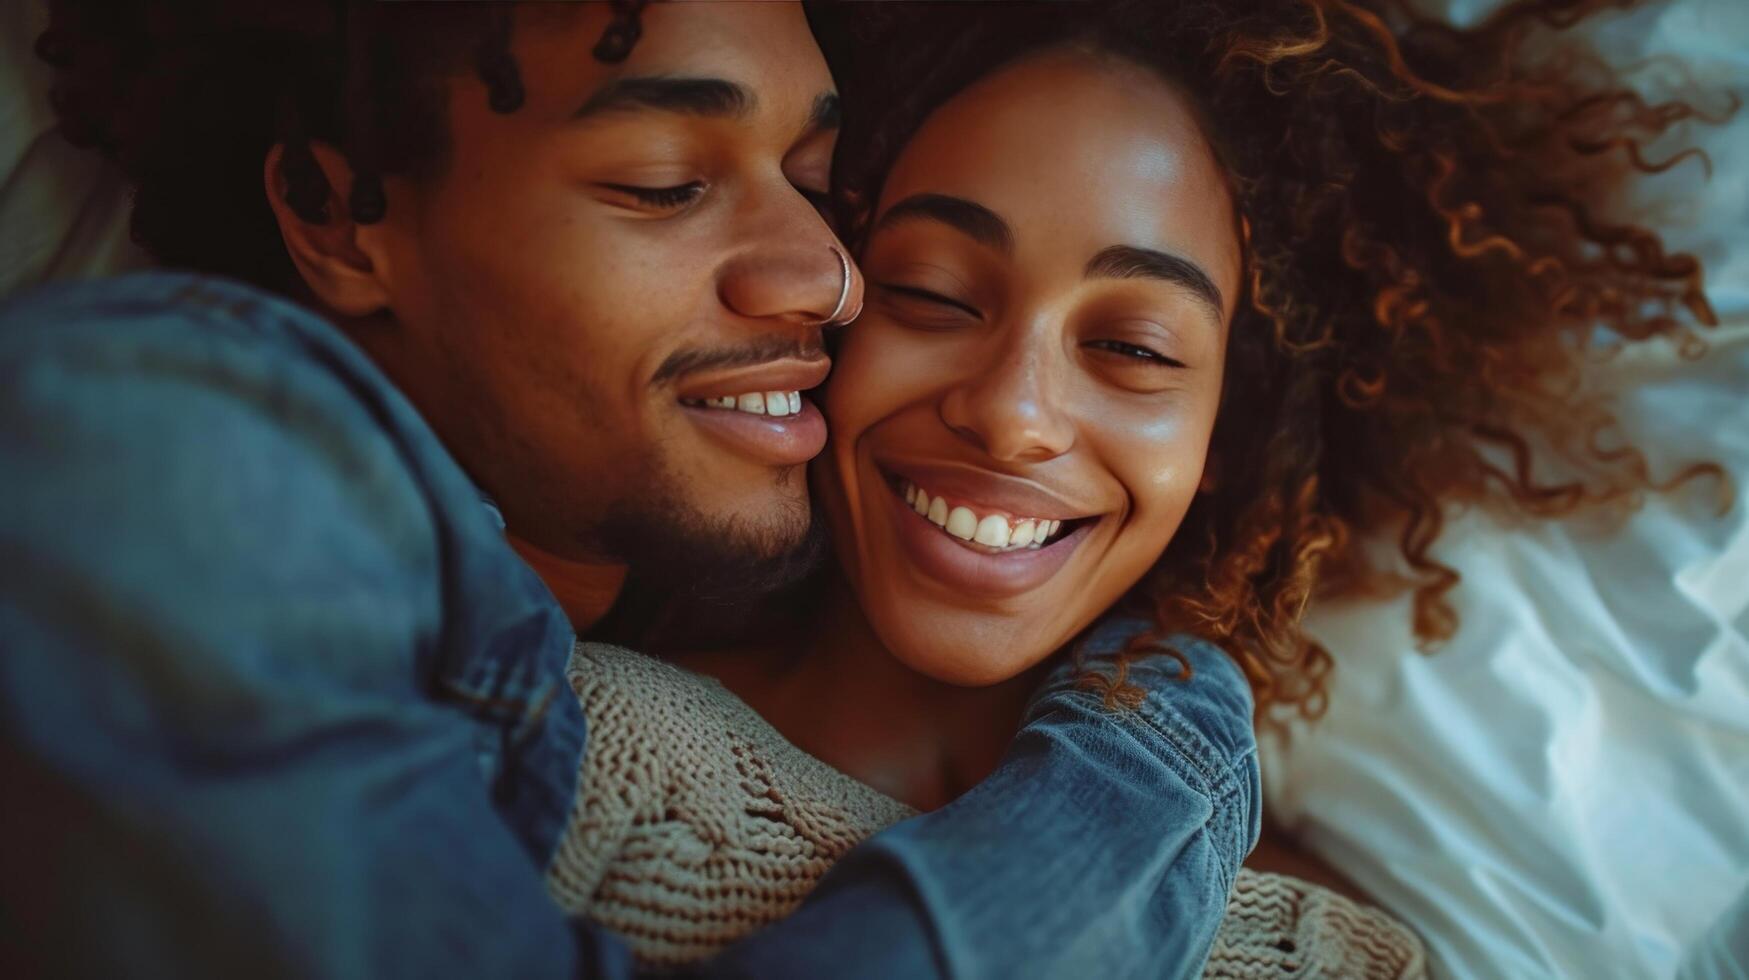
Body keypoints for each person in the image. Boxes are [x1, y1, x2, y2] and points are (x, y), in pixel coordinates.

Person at [0, 3, 1261, 978]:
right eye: (665, 180)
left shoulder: (558, 644)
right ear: (340, 216)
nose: (826, 277)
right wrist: (1164, 756)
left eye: (821, 188)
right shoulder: (169, 430)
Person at [544, 0, 1726, 974]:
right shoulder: (555, 737)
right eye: (936, 294)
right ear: (831, 311)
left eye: (1136, 349)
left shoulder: (1334, 950)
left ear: (1223, 433)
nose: (1011, 410)